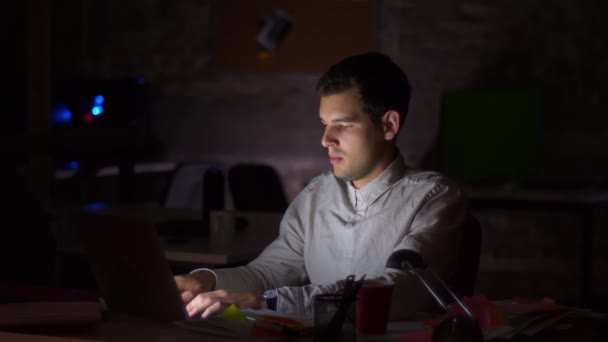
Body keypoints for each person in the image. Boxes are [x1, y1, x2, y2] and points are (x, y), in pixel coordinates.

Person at [174, 52, 466, 320]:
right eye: (324, 124)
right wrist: (206, 281)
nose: (326, 139)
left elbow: (402, 288)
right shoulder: (316, 195)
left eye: (343, 124)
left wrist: (269, 303)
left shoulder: (434, 197)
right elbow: (270, 272)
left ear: (388, 125)